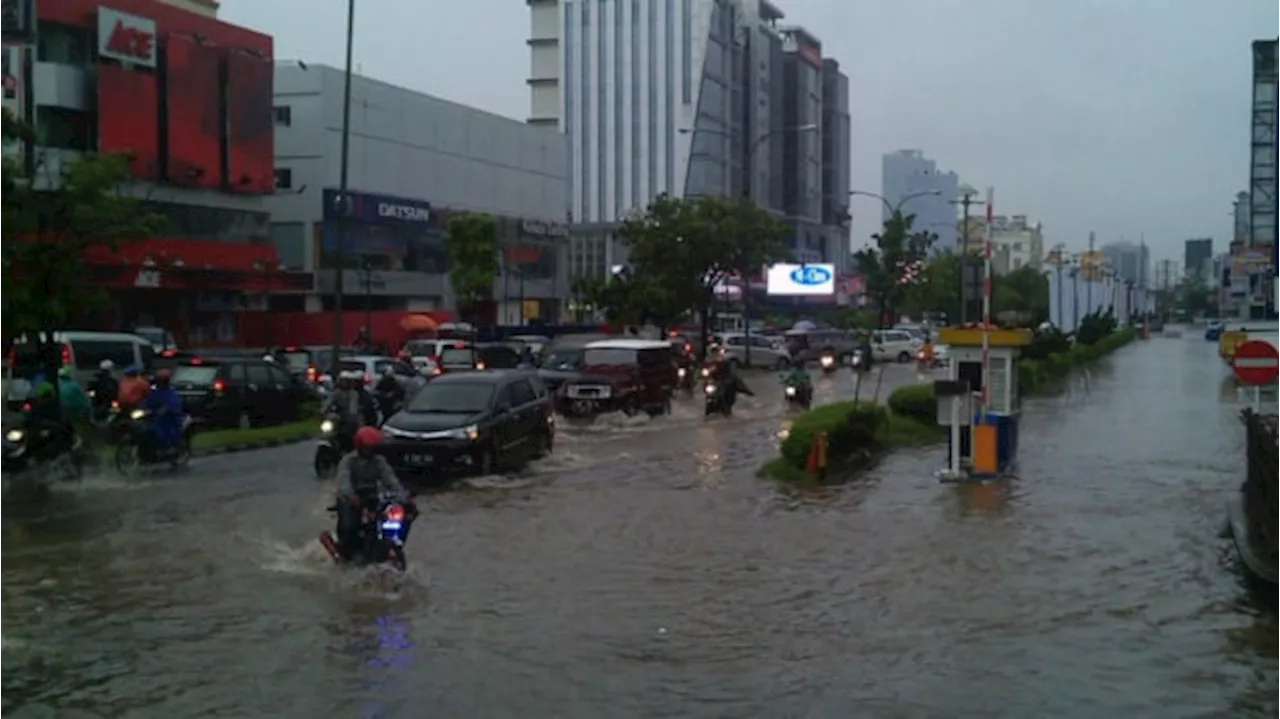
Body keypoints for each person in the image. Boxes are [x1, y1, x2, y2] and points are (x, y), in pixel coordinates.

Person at [333, 426, 411, 559]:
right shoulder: (348, 461)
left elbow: (391, 480)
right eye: (366, 447)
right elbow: (343, 481)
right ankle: (345, 550)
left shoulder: (379, 461)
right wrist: (350, 495)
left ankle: (382, 545)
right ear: (359, 445)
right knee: (349, 526)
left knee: (395, 517)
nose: (369, 450)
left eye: (372, 447)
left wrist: (403, 497)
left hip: (372, 496)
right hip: (350, 497)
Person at [141, 369, 185, 454]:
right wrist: (143, 406)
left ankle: (169, 447)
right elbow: (148, 400)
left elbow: (174, 403)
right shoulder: (154, 390)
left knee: (163, 430)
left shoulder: (171, 391)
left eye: (161, 380)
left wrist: (166, 409)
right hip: (155, 415)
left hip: (169, 417)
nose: (159, 382)